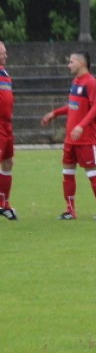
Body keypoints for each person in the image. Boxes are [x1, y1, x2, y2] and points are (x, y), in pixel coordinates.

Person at [40, 51, 96, 220]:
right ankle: (70, 210)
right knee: (67, 172)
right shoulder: (75, 82)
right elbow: (72, 105)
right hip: (70, 139)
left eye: (71, 62)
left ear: (82, 63)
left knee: (91, 173)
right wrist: (54, 114)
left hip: (86, 139)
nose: (68, 65)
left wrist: (81, 126)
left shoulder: (91, 82)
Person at [0, 41, 17, 220]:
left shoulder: (4, 73)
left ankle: (3, 204)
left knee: (8, 163)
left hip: (7, 125)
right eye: (2, 53)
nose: (6, 55)